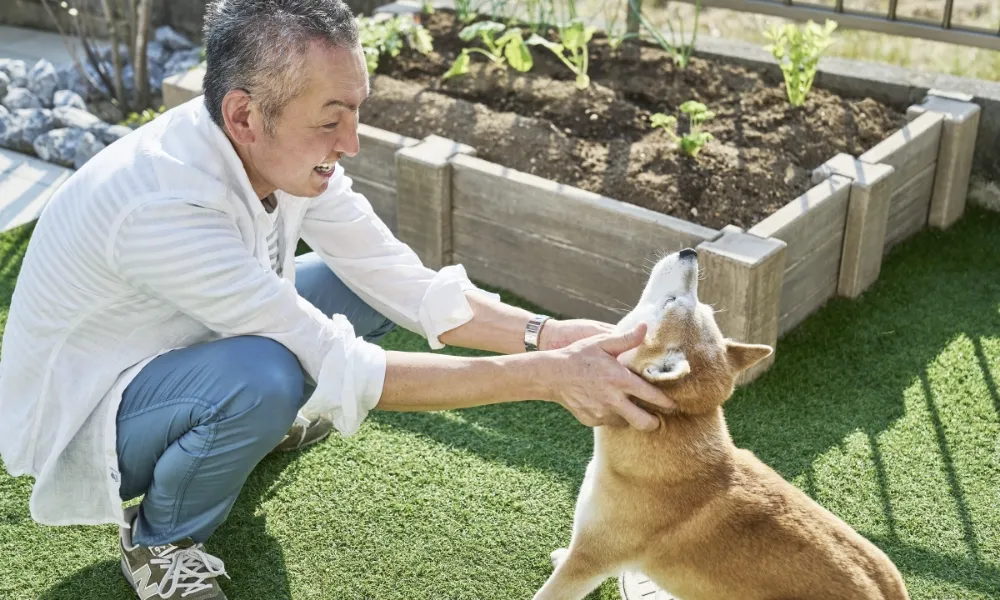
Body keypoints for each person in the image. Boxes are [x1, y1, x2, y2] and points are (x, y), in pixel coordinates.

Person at [0, 1, 676, 598]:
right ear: (244, 114)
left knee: (350, 292)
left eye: (356, 112)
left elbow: (393, 275)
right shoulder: (160, 204)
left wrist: (545, 335)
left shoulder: (273, 148)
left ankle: (242, 431)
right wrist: (542, 379)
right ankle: (161, 541)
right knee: (266, 376)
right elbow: (339, 362)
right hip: (87, 415)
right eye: (332, 120)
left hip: (183, 343)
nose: (350, 143)